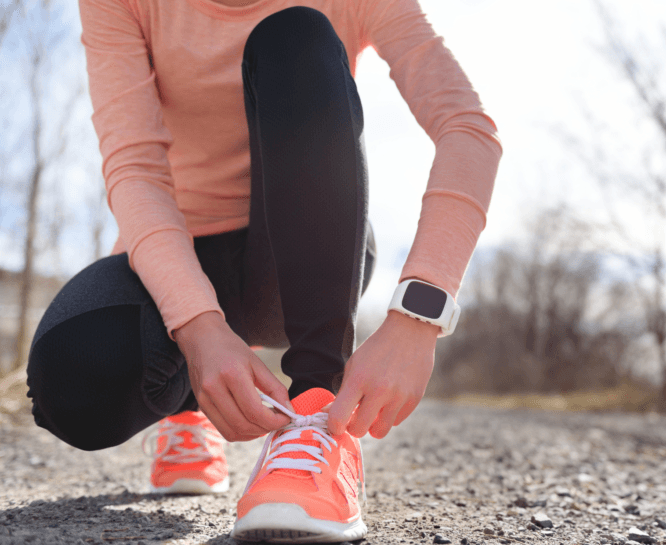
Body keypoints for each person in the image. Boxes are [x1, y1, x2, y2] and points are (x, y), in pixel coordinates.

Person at [25, 0, 502, 541]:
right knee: (75, 378)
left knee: (295, 33)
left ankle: (315, 417)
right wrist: (198, 326)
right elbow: (134, 168)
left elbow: (467, 128)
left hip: (295, 253)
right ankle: (189, 408)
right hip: (173, 256)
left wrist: (417, 319)